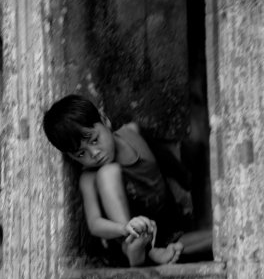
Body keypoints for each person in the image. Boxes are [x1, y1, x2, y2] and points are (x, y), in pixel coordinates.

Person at [43, 94, 186, 267]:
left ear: (105, 121)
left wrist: (186, 186)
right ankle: (136, 248)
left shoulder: (132, 132)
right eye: (81, 154)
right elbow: (95, 223)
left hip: (169, 220)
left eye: (95, 140)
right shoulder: (89, 178)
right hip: (135, 233)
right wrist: (125, 228)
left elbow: (166, 161)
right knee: (107, 173)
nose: (94, 154)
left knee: (205, 240)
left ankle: (153, 251)